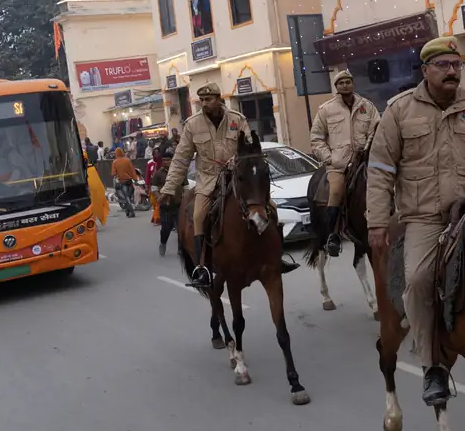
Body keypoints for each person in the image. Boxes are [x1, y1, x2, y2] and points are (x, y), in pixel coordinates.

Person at [367, 37, 465, 406]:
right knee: (416, 281)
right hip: (425, 217)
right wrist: (376, 222)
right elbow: (381, 169)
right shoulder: (399, 111)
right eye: (443, 66)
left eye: (456, 65)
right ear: (425, 70)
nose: (451, 72)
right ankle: (433, 367)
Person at [161, 82, 297, 286]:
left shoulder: (237, 119)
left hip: (238, 178)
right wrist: (169, 188)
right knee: (198, 216)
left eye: (209, 99)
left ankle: (277, 257)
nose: (205, 104)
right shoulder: (192, 125)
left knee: (272, 208)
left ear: (219, 100)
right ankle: (202, 269)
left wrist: (242, 161)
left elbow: (250, 148)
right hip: (208, 181)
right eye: (202, 100)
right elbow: (181, 159)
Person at [309, 69, 380, 258]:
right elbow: (316, 139)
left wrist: (368, 148)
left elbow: (377, 128)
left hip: (365, 159)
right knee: (336, 191)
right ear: (336, 87)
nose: (345, 85)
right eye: (341, 83)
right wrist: (330, 158)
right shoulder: (325, 110)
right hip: (339, 164)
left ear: (353, 84)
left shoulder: (367, 106)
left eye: (348, 82)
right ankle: (333, 235)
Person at [111, 147, 139, 216]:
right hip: (129, 181)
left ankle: (131, 211)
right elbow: (133, 171)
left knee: (126, 197)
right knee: (129, 196)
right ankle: (127, 211)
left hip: (122, 182)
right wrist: (135, 179)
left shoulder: (115, 162)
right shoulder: (128, 160)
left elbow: (113, 173)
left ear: (116, 154)